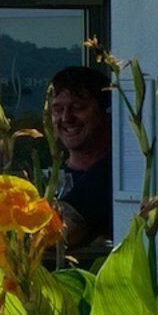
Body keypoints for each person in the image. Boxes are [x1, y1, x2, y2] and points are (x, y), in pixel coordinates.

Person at [44, 63, 116, 260]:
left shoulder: (113, 175)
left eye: (78, 107)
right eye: (58, 110)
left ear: (106, 113)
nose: (66, 118)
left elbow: (54, 237)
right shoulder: (46, 180)